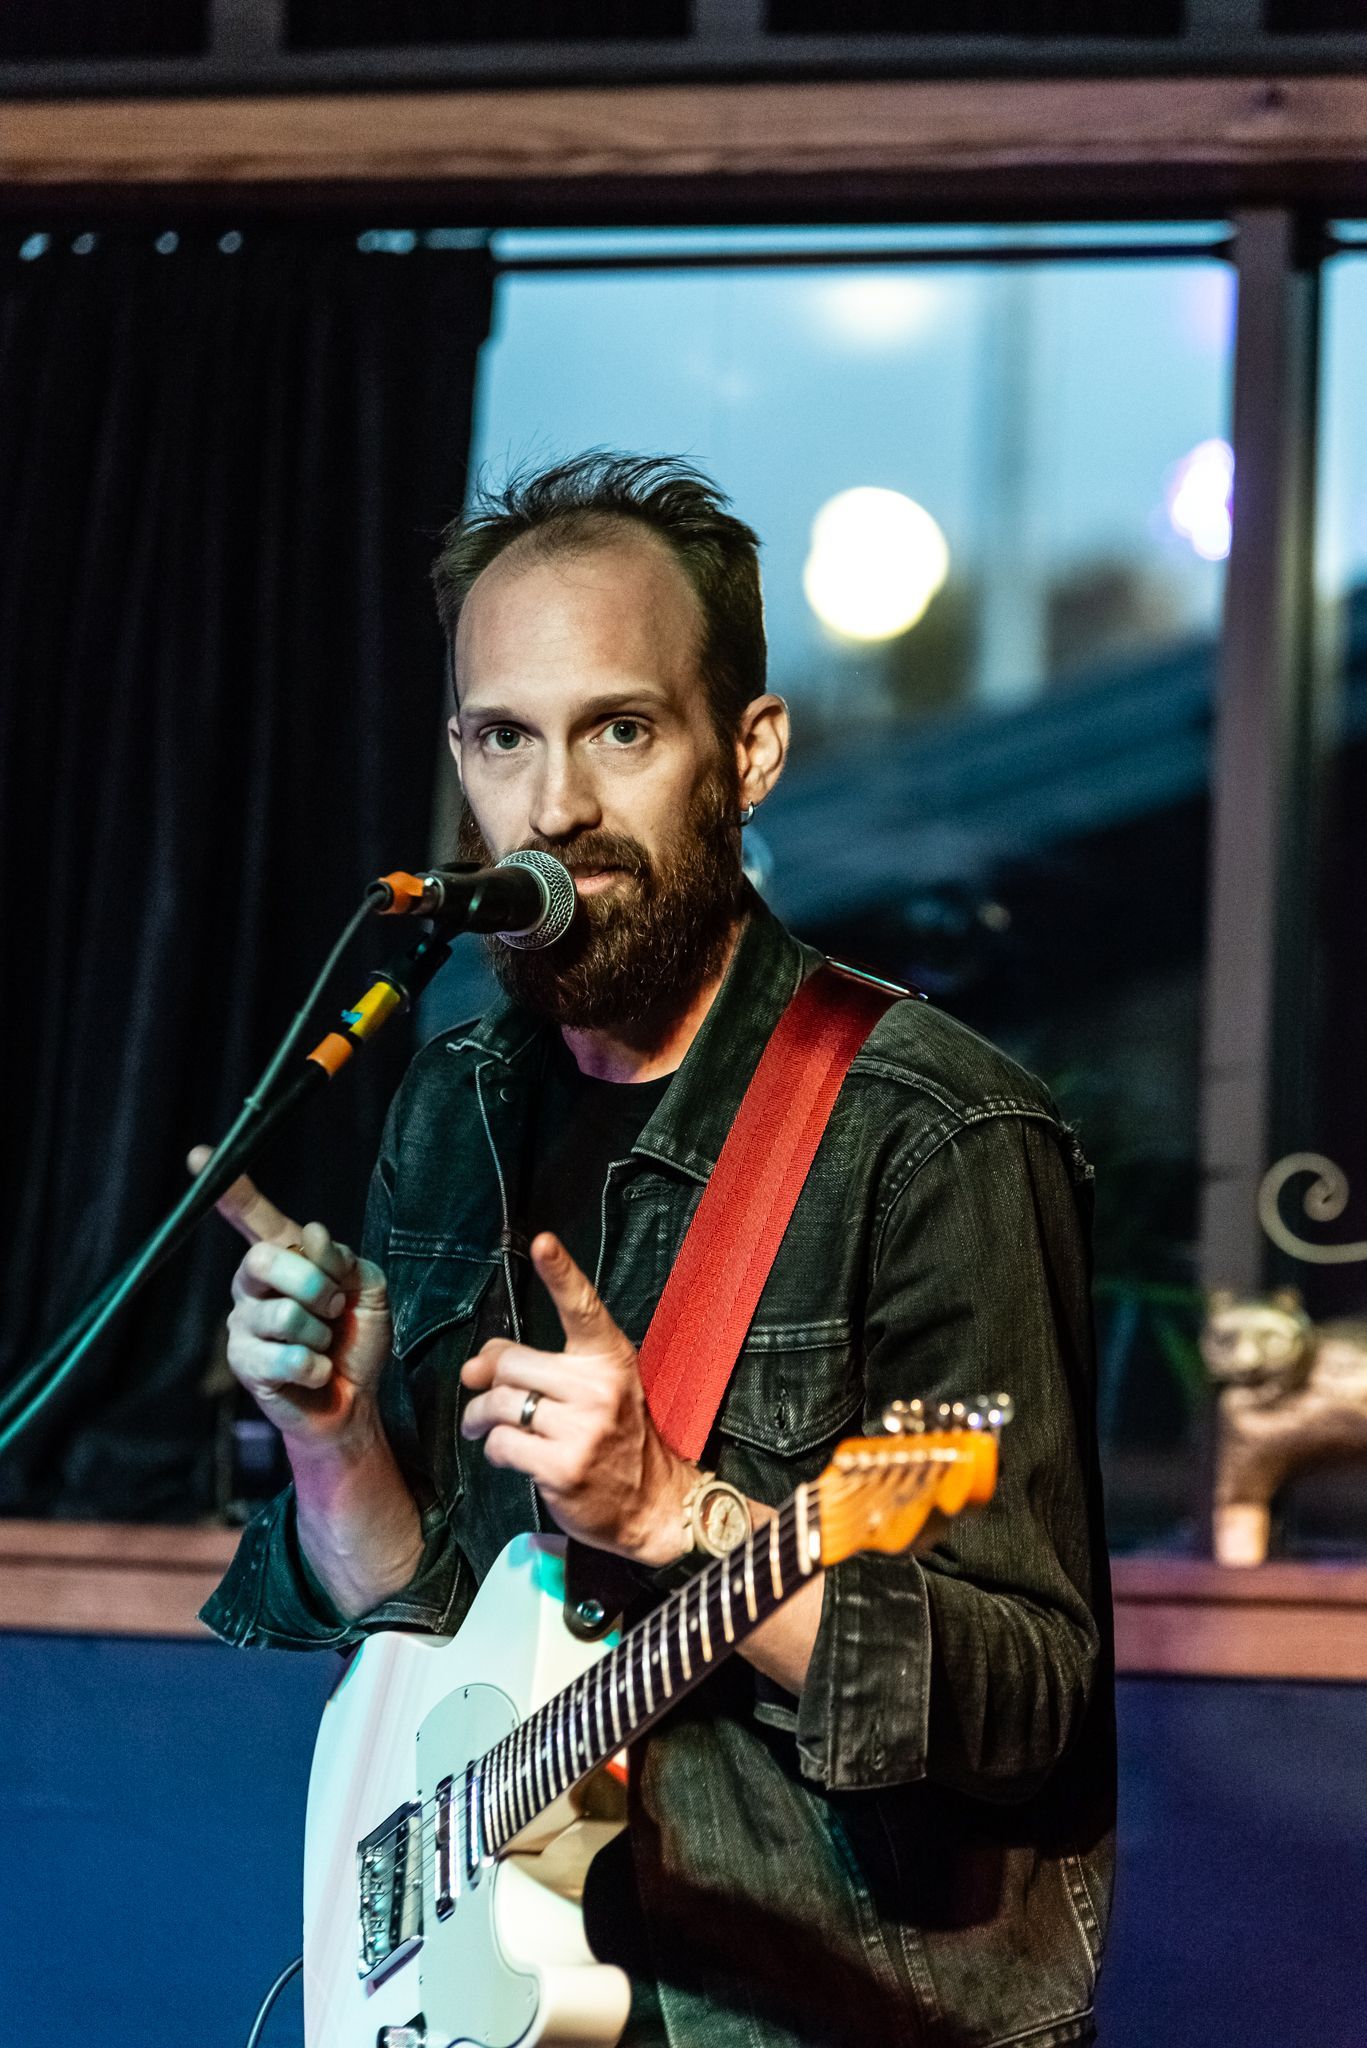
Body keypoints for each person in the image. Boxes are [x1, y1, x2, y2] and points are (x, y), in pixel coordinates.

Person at [202, 453, 1115, 2048]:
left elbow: (1028, 1705)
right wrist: (337, 1446)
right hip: (510, 1996)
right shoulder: (451, 1103)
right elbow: (428, 1643)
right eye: (506, 738)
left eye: (621, 729)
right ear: (460, 763)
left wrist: (674, 1511)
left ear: (747, 752)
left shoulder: (935, 1135)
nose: (555, 806)